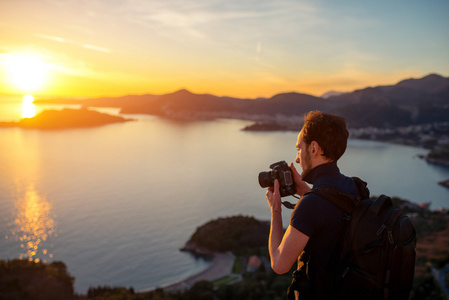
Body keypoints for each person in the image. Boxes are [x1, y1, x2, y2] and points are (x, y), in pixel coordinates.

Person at [265, 111, 358, 299]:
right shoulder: (354, 186)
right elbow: (330, 215)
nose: (297, 158)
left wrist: (275, 210)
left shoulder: (311, 205)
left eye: (299, 148)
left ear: (314, 149)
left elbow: (279, 264)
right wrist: (305, 191)